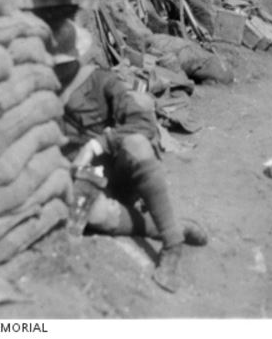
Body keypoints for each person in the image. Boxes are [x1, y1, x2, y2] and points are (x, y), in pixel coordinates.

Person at [51, 19, 208, 293]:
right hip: (85, 185)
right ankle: (174, 227)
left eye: (61, 64)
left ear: (75, 56)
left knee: (136, 143)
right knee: (95, 216)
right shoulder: (37, 94)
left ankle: (172, 245)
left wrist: (99, 144)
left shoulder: (100, 81)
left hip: (120, 173)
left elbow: (143, 124)